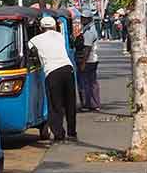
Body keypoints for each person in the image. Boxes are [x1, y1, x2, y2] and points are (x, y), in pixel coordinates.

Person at [32, 14, 78, 142]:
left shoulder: (35, 40)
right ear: (55, 27)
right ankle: (72, 132)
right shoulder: (60, 36)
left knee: (55, 104)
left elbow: (29, 50)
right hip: (68, 69)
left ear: (41, 28)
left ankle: (59, 134)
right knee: (70, 102)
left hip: (52, 72)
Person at [77, 16, 102, 110]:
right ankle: (95, 103)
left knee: (87, 83)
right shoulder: (90, 29)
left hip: (89, 60)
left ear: (88, 19)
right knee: (92, 82)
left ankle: (89, 104)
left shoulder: (89, 32)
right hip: (92, 59)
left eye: (83, 18)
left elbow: (87, 49)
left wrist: (83, 62)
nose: (81, 20)